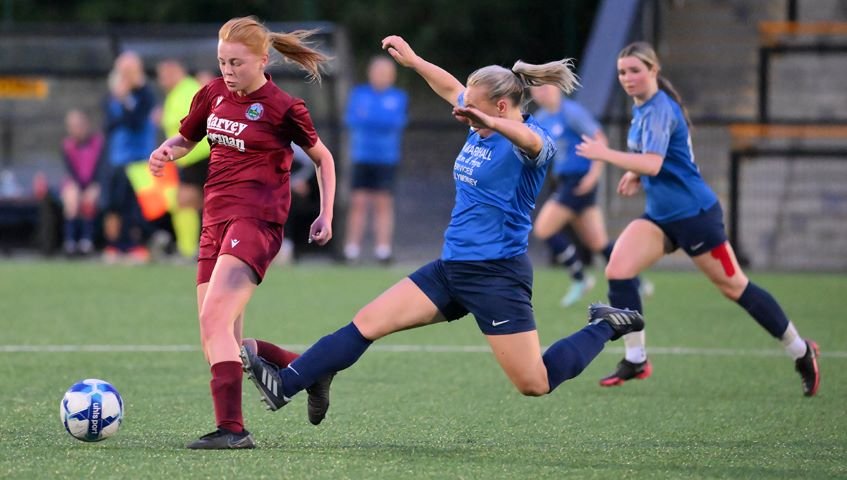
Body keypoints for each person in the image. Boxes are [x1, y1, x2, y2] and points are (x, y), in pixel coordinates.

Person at [238, 35, 646, 429]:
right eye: (466, 105)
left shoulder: (531, 142)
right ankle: (287, 384)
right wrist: (414, 62)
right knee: (367, 323)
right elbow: (451, 86)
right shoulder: (480, 120)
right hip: (451, 267)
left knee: (534, 383)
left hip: (496, 275)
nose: (463, 110)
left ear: (502, 107)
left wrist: (484, 120)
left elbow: (526, 137)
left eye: (476, 107)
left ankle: (605, 325)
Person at [575, 41, 820, 395]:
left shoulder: (660, 109)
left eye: (635, 71)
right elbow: (651, 160)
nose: (627, 78)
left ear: (654, 71)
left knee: (735, 287)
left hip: (695, 217)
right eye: (622, 72)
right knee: (618, 270)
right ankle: (636, 358)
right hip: (660, 216)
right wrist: (635, 173)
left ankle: (801, 350)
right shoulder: (642, 107)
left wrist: (606, 155)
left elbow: (654, 163)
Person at [147, 16, 337, 449]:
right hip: (214, 223)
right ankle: (309, 368)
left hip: (255, 222)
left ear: (263, 60)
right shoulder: (212, 94)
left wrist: (326, 214)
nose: (228, 71)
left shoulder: (283, 107)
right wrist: (165, 152)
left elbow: (323, 158)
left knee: (215, 319)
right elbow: (187, 139)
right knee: (219, 338)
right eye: (222, 62)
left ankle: (232, 431)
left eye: (236, 63)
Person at [531, 86, 655, 307]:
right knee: (597, 241)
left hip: (578, 181)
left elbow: (600, 139)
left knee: (543, 228)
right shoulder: (541, 119)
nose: (541, 93)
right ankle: (635, 279)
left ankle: (580, 277)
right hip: (566, 181)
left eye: (545, 87)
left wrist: (593, 175)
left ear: (557, 88)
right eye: (536, 90)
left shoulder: (572, 112)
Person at [342, 55, 408, 264]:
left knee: (383, 203)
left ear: (392, 76)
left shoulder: (398, 97)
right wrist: (374, 118)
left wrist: (369, 117)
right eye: (377, 72)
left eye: (385, 73)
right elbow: (352, 119)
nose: (380, 77)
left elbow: (393, 122)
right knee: (359, 202)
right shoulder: (359, 94)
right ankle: (351, 250)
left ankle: (383, 250)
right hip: (362, 156)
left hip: (386, 159)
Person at [103, 51, 157, 263]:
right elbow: (108, 124)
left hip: (140, 160)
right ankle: (114, 246)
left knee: (137, 207)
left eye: (128, 71)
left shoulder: (145, 95)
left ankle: (136, 246)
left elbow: (135, 121)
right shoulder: (113, 96)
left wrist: (125, 100)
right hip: (118, 159)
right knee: (115, 204)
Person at [156, 59, 211, 260]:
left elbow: (192, 120)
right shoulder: (178, 92)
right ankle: (191, 249)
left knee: (186, 200)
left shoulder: (188, 89)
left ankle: (189, 250)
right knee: (190, 202)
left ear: (174, 71)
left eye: (163, 76)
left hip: (201, 154)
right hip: (191, 158)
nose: (161, 81)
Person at [60, 109, 104, 256]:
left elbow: (100, 166)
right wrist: (80, 188)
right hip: (75, 182)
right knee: (72, 198)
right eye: (72, 126)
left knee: (89, 199)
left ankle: (87, 241)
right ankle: (70, 242)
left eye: (79, 125)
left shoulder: (98, 142)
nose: (76, 129)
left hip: (94, 182)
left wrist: (92, 186)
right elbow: (70, 169)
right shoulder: (67, 145)